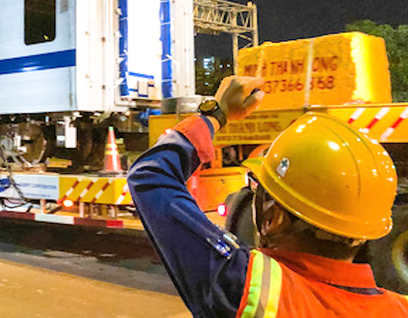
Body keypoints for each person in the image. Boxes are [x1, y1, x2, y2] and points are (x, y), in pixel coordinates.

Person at [128, 75, 408, 317]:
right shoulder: (400, 308)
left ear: (274, 218)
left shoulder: (248, 290)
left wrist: (216, 113)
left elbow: (150, 176)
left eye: (258, 191)